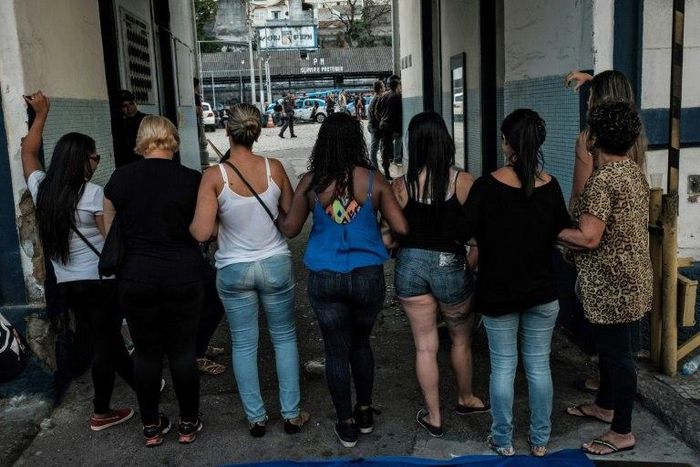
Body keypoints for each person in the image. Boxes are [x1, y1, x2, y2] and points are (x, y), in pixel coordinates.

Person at [276, 112, 408, 448]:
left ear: (322, 143)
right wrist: (382, 231)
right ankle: (364, 413)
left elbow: (290, 229)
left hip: (325, 277)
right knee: (361, 343)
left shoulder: (310, 181)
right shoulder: (373, 180)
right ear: (356, 141)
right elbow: (402, 228)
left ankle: (346, 424)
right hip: (367, 277)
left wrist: (276, 209)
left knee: (336, 351)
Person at [190, 104, 310, 437]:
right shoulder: (275, 168)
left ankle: (256, 419)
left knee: (244, 345)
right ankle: (291, 414)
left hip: (234, 270)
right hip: (274, 263)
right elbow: (289, 222)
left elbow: (202, 232)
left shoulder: (215, 176)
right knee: (284, 339)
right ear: (256, 132)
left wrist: (216, 219)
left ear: (227, 132)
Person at [21, 91, 135, 431]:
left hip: (68, 284)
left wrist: (42, 114)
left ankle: (145, 386)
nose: (96, 162)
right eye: (94, 158)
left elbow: (27, 151)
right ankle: (101, 411)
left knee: (106, 339)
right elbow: (110, 241)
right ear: (81, 161)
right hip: (100, 283)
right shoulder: (93, 194)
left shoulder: (42, 188)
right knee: (104, 342)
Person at [462, 109, 570, 457]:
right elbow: (561, 230)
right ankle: (540, 440)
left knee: (503, 367)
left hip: (498, 293)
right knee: (539, 366)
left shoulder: (486, 186)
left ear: (507, 143)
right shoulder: (551, 186)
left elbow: (464, 230)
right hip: (542, 292)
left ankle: (503, 439)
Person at [104, 115, 204, 447]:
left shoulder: (119, 179)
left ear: (141, 141)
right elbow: (204, 230)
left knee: (146, 353)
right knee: (183, 352)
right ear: (172, 140)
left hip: (136, 277)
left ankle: (151, 427)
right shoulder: (192, 179)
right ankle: (188, 424)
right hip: (183, 275)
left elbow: (109, 232)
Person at [559, 100, 652, 456]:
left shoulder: (603, 181)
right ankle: (604, 405)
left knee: (618, 357)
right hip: (632, 278)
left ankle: (621, 430)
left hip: (612, 284)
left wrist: (552, 231)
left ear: (594, 136)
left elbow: (589, 236)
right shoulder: (632, 171)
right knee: (612, 351)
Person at [391, 112, 488, 438]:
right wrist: (471, 261)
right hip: (451, 266)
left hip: (410, 267)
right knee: (461, 339)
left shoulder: (401, 187)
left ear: (413, 144)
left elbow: (388, 236)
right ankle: (466, 397)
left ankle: (434, 417)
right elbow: (479, 234)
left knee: (424, 346)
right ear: (446, 141)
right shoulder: (463, 181)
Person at [564, 69, 648, 394]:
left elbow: (579, 197)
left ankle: (615, 410)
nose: (587, 106)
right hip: (630, 249)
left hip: (598, 246)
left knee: (606, 331)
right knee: (621, 336)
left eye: (591, 99)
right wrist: (593, 77)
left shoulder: (589, 140)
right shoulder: (635, 141)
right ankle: (608, 390)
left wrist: (567, 237)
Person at [376, 75, 403, 180]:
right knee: (389, 148)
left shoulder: (383, 96)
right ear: (396, 86)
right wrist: (398, 130)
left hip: (383, 125)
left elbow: (377, 111)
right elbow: (399, 116)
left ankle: (386, 171)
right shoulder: (398, 97)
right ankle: (394, 161)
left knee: (385, 150)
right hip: (392, 127)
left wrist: (382, 119)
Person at [115, 90, 147, 167]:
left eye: (131, 104)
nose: (129, 109)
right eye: (124, 106)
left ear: (135, 102)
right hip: (128, 164)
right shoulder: (119, 124)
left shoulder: (146, 120)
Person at [367, 81, 385, 169]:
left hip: (374, 127)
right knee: (373, 152)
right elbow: (376, 115)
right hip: (375, 128)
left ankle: (376, 170)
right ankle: (375, 171)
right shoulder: (378, 99)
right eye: (383, 86)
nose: (385, 87)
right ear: (381, 88)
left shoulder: (374, 98)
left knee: (376, 150)